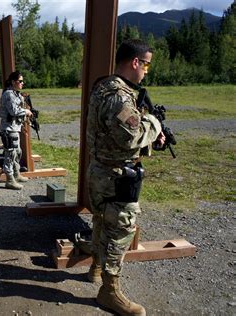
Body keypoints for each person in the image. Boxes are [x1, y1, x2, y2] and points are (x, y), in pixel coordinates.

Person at [86, 39, 165, 315]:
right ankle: (109, 292)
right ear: (135, 62)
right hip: (115, 176)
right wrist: (154, 123)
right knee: (119, 231)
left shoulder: (104, 86)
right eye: (146, 64)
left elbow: (114, 133)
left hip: (100, 171)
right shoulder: (118, 95)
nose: (146, 71)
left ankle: (96, 269)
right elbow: (131, 136)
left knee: (100, 222)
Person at [0, 71, 33, 190]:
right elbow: (14, 111)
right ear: (13, 82)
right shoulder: (9, 94)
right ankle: (9, 179)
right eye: (20, 81)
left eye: (23, 81)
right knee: (10, 154)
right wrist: (27, 112)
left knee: (17, 152)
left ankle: (16, 174)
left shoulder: (16, 94)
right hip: (8, 129)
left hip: (14, 127)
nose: (22, 83)